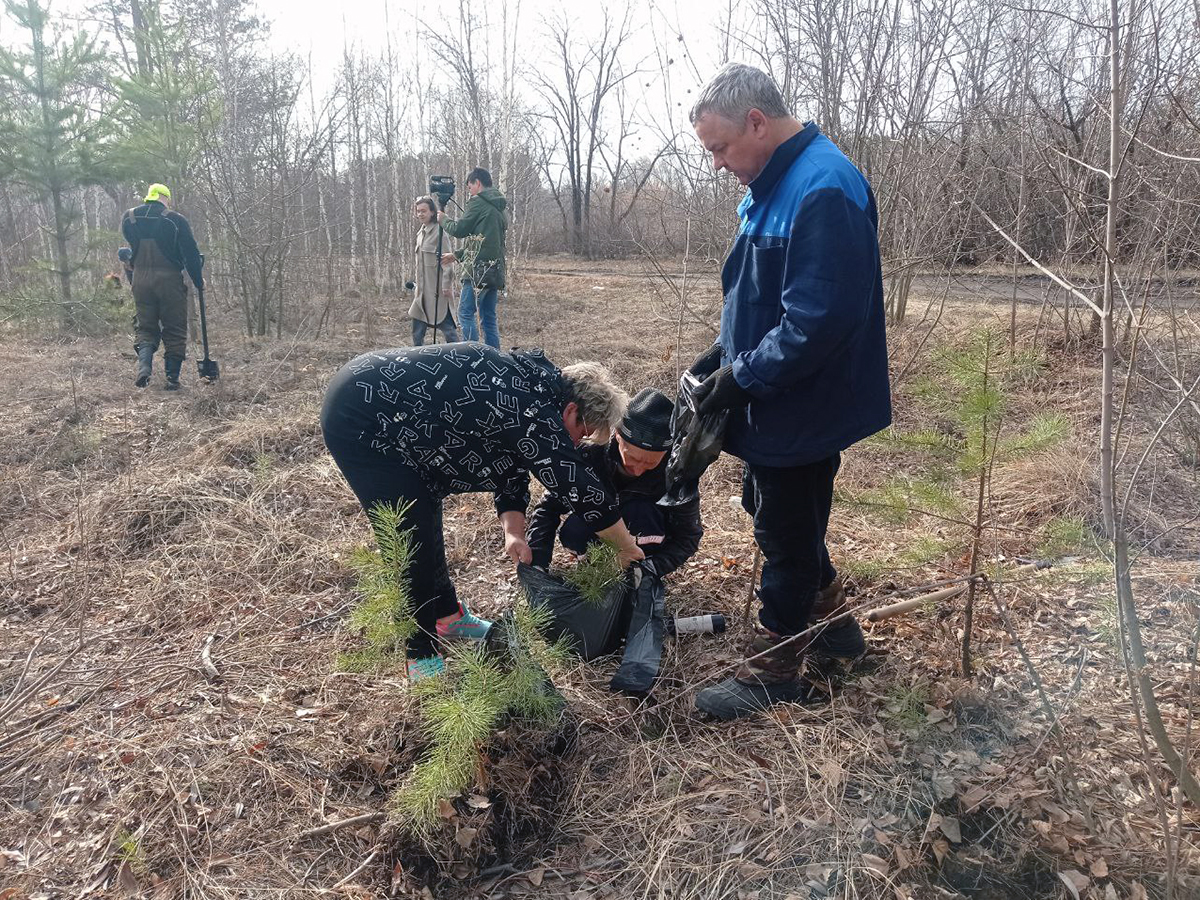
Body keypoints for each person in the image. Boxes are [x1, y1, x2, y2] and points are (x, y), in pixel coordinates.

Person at [686, 63, 892, 720]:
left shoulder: (821, 187)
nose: (718, 164)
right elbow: (762, 294)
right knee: (770, 507)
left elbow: (818, 320)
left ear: (756, 123)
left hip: (804, 401)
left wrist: (740, 377)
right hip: (776, 393)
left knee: (785, 527)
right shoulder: (775, 182)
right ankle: (836, 630)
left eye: (720, 148)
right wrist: (723, 355)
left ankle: (776, 668)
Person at [320, 343, 646, 681]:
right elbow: (575, 483)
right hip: (362, 415)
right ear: (571, 410)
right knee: (409, 537)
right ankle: (421, 657)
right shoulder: (529, 407)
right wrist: (624, 545)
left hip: (393, 417)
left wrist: (514, 533)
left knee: (424, 506)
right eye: (583, 433)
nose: (577, 443)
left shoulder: (533, 394)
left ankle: (448, 617)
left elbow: (514, 471)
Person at [527, 388, 702, 579]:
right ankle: (593, 566)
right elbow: (547, 509)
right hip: (593, 541)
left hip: (646, 545)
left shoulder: (677, 471)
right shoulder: (589, 455)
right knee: (575, 529)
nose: (638, 470)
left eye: (651, 463)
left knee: (641, 511)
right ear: (617, 434)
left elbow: (688, 537)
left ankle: (635, 568)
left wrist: (650, 569)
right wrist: (537, 563)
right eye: (632, 458)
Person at [120, 184, 205, 390]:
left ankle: (144, 369)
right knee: (174, 328)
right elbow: (191, 254)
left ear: (149, 197)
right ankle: (172, 379)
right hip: (169, 281)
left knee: (146, 326)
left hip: (141, 280)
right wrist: (198, 280)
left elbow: (131, 250)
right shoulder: (175, 220)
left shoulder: (129, 218)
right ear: (165, 198)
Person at [438, 167, 506, 348]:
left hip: (477, 271)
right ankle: (495, 358)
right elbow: (486, 241)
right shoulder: (499, 206)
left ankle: (473, 357)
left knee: (466, 314)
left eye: (470, 187)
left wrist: (443, 219)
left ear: (477, 183)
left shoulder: (478, 202)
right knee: (488, 318)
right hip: (494, 270)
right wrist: (457, 255)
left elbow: (459, 230)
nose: (470, 191)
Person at [409, 196, 459, 345]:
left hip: (438, 293)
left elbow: (448, 263)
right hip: (422, 293)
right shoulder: (421, 233)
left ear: (432, 212)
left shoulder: (440, 233)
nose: (420, 214)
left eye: (423, 211)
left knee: (449, 330)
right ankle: (418, 359)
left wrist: (446, 286)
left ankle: (458, 358)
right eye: (418, 211)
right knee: (417, 331)